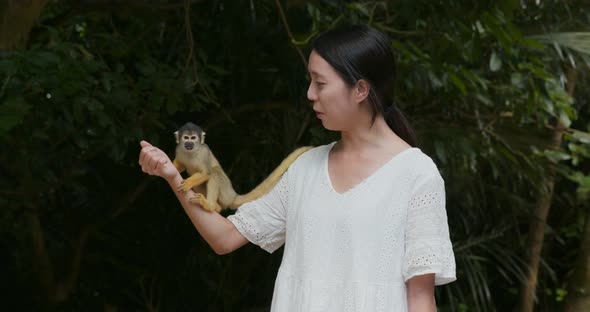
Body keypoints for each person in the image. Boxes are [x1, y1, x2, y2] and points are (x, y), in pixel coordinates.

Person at [138, 24, 456, 312]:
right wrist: (173, 175)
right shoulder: (306, 169)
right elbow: (225, 238)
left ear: (360, 90)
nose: (309, 94)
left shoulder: (416, 174)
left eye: (320, 83)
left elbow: (420, 298)